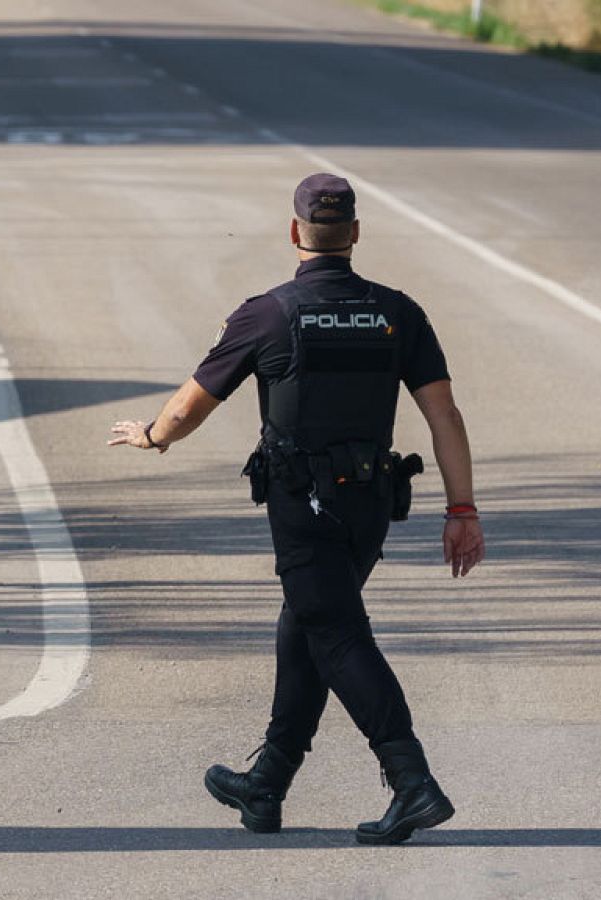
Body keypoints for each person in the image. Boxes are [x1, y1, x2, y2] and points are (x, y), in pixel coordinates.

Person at [108, 173, 484, 845]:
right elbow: (444, 414)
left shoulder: (270, 313)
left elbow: (192, 404)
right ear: (356, 234)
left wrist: (153, 436)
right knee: (307, 626)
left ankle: (412, 782)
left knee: (335, 634)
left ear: (294, 232)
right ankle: (267, 785)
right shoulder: (398, 312)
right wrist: (462, 509)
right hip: (371, 504)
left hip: (304, 505)